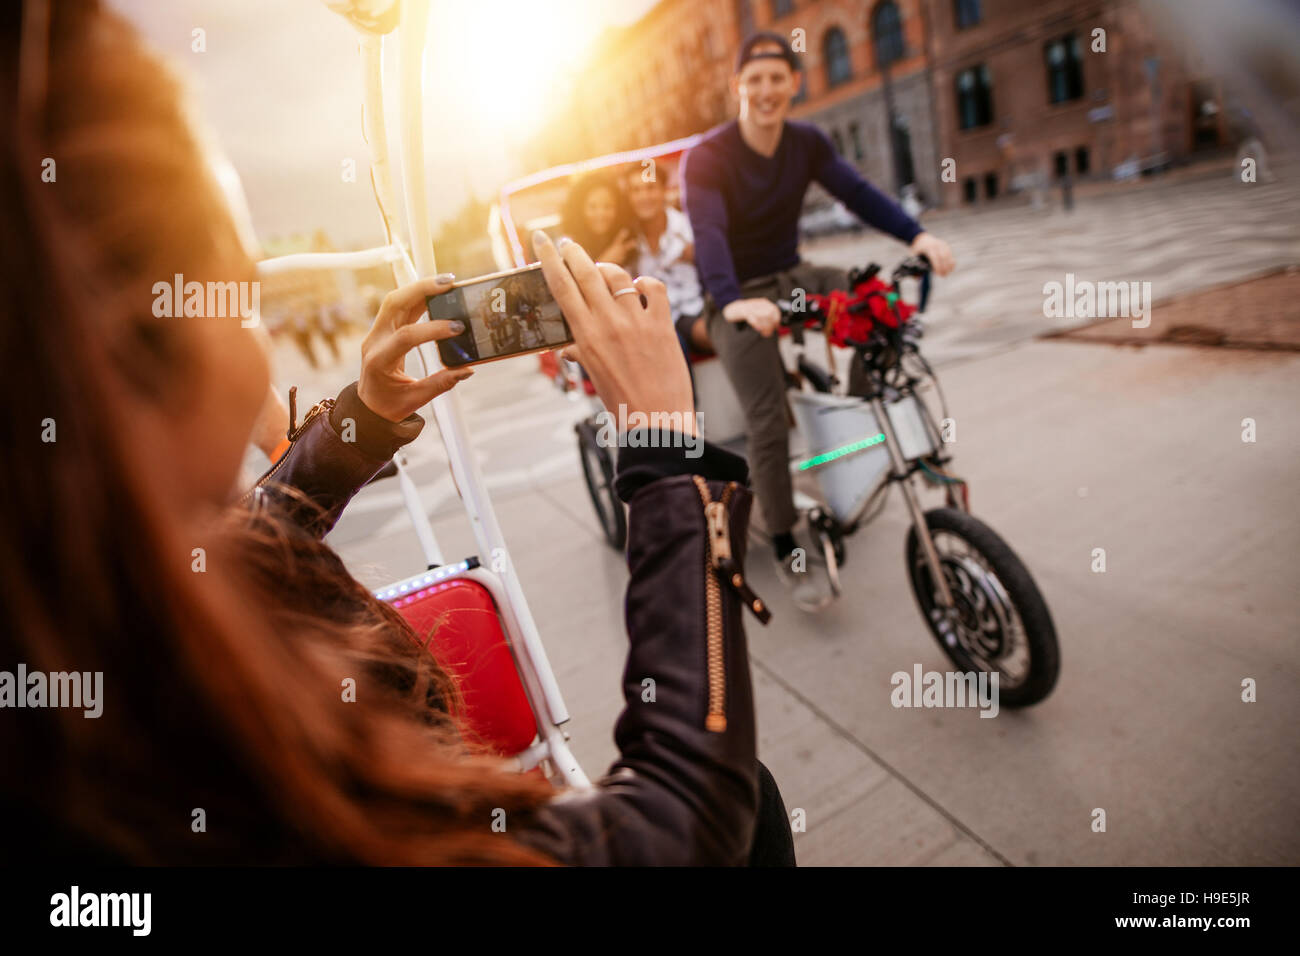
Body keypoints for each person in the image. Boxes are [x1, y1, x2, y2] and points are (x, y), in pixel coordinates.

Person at [2, 0, 792, 866]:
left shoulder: (85, 614)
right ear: (171, 345)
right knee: (751, 803)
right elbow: (682, 827)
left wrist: (363, 417)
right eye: (240, 283)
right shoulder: (239, 788)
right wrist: (663, 448)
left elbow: (251, 532)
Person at [682, 31, 956, 612]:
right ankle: (784, 540)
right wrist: (731, 300)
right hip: (735, 298)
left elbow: (857, 192)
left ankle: (862, 416)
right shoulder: (707, 156)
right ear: (738, 86)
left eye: (777, 78)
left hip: (793, 277)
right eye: (754, 80)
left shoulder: (806, 142)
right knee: (768, 421)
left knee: (876, 299)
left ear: (794, 84)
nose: (765, 90)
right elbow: (707, 232)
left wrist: (919, 234)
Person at [559, 170, 638, 265]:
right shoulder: (568, 245)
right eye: (592, 207)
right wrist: (605, 261)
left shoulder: (625, 240)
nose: (601, 214)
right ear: (579, 210)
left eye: (608, 206)